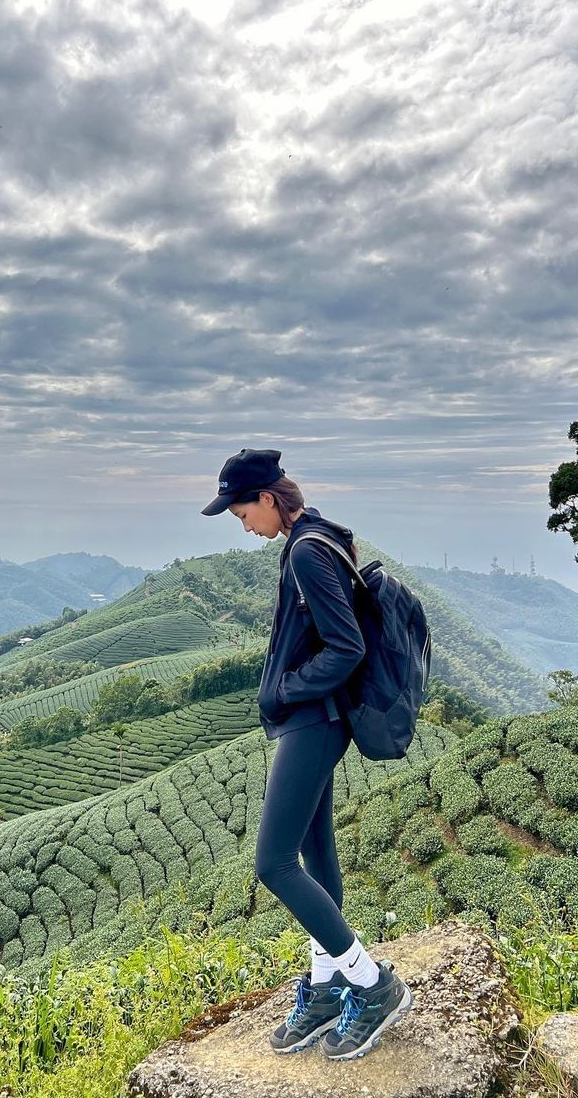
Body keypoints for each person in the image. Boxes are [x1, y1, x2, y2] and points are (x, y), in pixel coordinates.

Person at [202, 447, 413, 1061]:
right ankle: (324, 991)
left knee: (272, 863)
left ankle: (372, 987)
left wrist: (287, 691)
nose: (242, 525)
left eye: (242, 512)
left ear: (269, 499)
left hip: (313, 720)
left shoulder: (305, 552)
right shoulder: (319, 538)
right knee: (316, 852)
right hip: (315, 718)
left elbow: (345, 647)